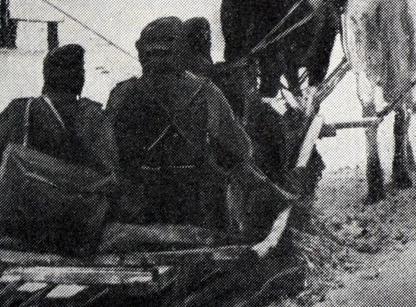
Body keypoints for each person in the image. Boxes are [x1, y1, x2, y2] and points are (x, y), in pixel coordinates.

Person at [107, 17, 294, 235]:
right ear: (181, 51)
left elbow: (107, 150)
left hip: (138, 209)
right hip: (198, 210)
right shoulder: (205, 91)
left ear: (141, 53)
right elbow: (242, 148)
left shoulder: (121, 93)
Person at [0, 44, 117, 230]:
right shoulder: (94, 116)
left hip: (21, 219)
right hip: (81, 222)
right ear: (81, 81)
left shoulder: (22, 110)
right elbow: (110, 174)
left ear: (46, 78)